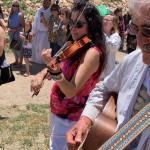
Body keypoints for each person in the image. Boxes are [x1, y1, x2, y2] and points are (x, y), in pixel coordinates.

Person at [66, 0, 150, 150]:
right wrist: (86, 119)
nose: (139, 40)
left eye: (147, 31)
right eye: (135, 29)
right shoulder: (133, 60)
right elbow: (103, 89)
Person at [31, 0, 106, 149]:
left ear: (91, 25)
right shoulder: (71, 44)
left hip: (71, 120)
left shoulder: (92, 52)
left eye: (79, 24)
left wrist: (57, 73)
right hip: (58, 113)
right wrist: (41, 74)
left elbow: (71, 91)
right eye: (71, 22)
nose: (73, 28)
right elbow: (53, 65)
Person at [31, 0, 51, 64]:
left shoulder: (51, 11)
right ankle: (37, 60)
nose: (45, 4)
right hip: (38, 32)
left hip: (46, 33)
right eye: (44, 2)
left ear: (50, 3)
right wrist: (33, 31)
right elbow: (35, 21)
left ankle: (44, 61)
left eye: (47, 3)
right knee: (37, 46)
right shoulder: (39, 10)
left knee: (44, 47)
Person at [101, 14, 121, 79]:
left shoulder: (115, 36)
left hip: (106, 73)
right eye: (104, 19)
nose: (105, 21)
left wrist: (103, 35)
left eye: (107, 20)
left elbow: (112, 47)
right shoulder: (97, 35)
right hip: (96, 70)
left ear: (113, 24)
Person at [8, 0, 25, 68]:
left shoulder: (20, 14)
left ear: (18, 6)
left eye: (17, 6)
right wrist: (8, 27)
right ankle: (16, 61)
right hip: (11, 33)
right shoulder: (10, 13)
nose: (15, 7)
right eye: (14, 5)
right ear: (12, 6)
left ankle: (20, 63)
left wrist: (15, 29)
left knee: (19, 48)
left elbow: (23, 25)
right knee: (14, 47)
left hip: (18, 33)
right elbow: (8, 23)